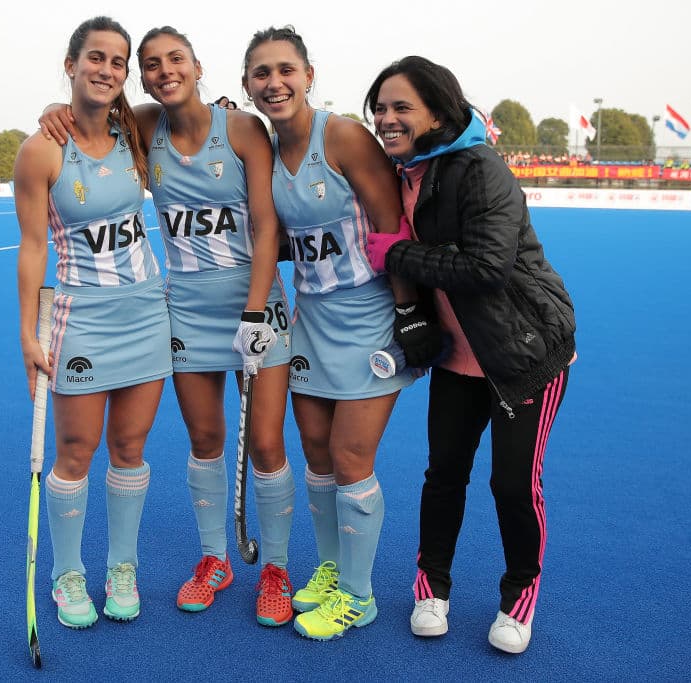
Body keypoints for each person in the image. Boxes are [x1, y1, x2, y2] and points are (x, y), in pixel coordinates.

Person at [38, 26, 297, 627]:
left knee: (264, 443)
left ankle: (277, 569)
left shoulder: (242, 130)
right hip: (184, 310)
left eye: (174, 59)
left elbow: (265, 226)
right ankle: (214, 560)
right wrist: (53, 108)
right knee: (205, 442)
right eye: (150, 64)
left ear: (198, 65)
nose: (163, 70)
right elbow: (88, 107)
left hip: (255, 307)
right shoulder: (142, 130)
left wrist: (256, 312)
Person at [363, 56, 576, 654]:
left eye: (401, 107)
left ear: (438, 109)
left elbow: (487, 267)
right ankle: (432, 587)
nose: (387, 118)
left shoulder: (479, 168)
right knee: (443, 476)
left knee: (512, 484)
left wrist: (396, 255)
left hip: (523, 354)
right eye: (380, 108)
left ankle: (518, 596)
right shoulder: (400, 169)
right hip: (458, 357)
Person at [241, 26, 442, 641]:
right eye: (260, 74)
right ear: (246, 85)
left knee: (354, 458)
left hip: (371, 317)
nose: (274, 83)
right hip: (313, 321)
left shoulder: (346, 136)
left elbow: (389, 228)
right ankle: (331, 569)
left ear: (308, 74)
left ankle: (360, 596)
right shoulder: (266, 148)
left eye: (285, 70)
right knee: (319, 455)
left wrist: (409, 314)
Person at [15, 16, 172, 629]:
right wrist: (27, 334)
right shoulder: (41, 150)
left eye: (118, 62)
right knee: (76, 452)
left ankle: (122, 567)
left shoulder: (135, 129)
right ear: (73, 63)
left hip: (145, 311)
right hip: (81, 317)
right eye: (96, 58)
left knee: (130, 449)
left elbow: (192, 115)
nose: (107, 70)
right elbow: (31, 248)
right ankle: (67, 572)